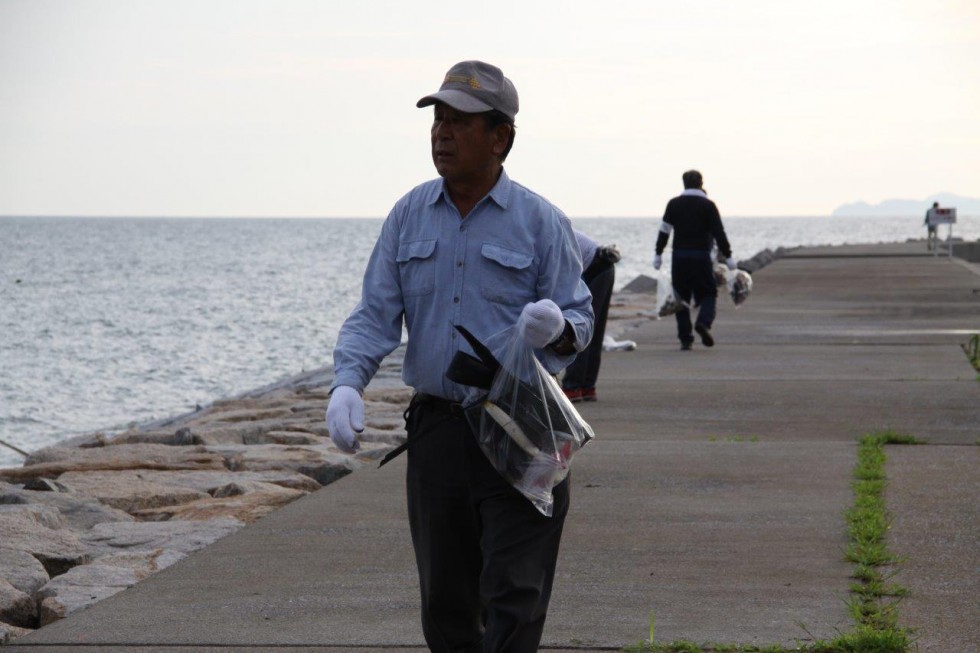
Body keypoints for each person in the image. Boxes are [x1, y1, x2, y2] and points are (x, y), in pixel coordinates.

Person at [325, 60, 594, 652]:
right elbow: (375, 314)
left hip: (524, 427)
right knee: (446, 602)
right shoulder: (409, 214)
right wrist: (348, 382)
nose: (442, 133)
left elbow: (580, 318)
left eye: (460, 122)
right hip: (439, 433)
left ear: (501, 138)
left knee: (515, 594)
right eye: (438, 120)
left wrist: (556, 330)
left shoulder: (541, 221)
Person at [653, 170, 736, 350]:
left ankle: (685, 339)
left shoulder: (674, 204)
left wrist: (658, 253)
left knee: (680, 297)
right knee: (708, 293)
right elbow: (719, 233)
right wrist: (728, 257)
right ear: (701, 183)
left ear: (683, 183)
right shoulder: (708, 205)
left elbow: (664, 230)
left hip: (679, 257)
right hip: (701, 256)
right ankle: (703, 323)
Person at [561, 230, 619, 402]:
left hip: (595, 268)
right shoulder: (550, 226)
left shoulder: (544, 234)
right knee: (595, 330)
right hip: (604, 266)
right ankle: (587, 387)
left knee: (579, 328)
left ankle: (573, 387)